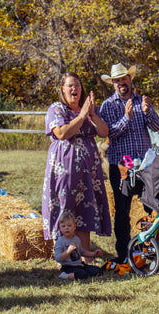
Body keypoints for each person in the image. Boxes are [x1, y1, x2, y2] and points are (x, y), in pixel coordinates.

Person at [98, 62, 159, 263]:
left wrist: (148, 111)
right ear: (113, 84)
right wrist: (127, 117)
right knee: (122, 210)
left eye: (124, 78)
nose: (121, 83)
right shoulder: (108, 105)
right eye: (117, 80)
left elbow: (156, 126)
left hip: (144, 165)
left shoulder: (141, 100)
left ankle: (151, 246)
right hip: (121, 166)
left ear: (130, 79)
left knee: (151, 206)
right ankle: (124, 252)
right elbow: (109, 133)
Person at [42, 72, 111, 246]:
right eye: (70, 85)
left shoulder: (89, 109)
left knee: (85, 208)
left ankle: (85, 254)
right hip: (65, 168)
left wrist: (91, 115)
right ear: (63, 89)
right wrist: (81, 117)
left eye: (77, 85)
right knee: (65, 206)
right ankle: (64, 255)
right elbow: (61, 133)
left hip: (88, 169)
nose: (75, 89)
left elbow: (104, 132)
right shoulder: (57, 109)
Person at [53, 214, 103, 281]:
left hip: (79, 265)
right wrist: (68, 251)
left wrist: (93, 254)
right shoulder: (60, 241)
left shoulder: (76, 239)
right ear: (60, 228)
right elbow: (58, 258)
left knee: (98, 270)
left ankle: (83, 274)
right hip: (68, 266)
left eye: (69, 226)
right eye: (63, 226)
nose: (66, 228)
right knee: (82, 274)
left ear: (74, 227)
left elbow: (82, 252)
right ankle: (65, 275)